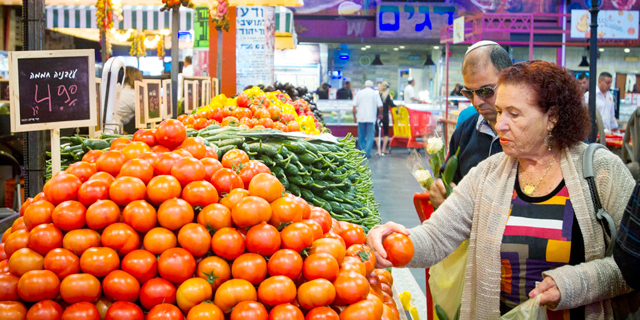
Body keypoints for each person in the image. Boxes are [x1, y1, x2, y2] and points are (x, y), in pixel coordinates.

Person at [368, 60, 635, 319]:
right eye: (499, 111)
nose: (500, 124)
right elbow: (437, 236)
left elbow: (633, 264)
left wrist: (575, 283)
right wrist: (395, 243)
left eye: (514, 114)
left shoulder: (601, 172)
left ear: (552, 117)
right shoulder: (488, 174)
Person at [429, 41, 512, 208]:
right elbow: (448, 182)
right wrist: (439, 191)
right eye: (469, 93)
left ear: (510, 80)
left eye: (486, 91)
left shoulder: (531, 132)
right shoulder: (464, 132)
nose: (477, 102)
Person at [353, 80, 383, 158]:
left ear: (364, 86)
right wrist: (380, 114)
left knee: (361, 136)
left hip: (361, 117)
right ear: (372, 86)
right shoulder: (375, 94)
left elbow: (354, 106)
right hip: (371, 118)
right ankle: (367, 153)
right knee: (370, 136)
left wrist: (354, 117)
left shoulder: (359, 93)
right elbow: (380, 106)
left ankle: (362, 153)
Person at [112, 66, 143, 132]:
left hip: (106, 125)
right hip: (114, 129)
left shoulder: (118, 89)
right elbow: (145, 112)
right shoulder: (134, 93)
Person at [375, 81, 394, 156]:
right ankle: (383, 149)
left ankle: (379, 150)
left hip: (377, 115)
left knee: (377, 132)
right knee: (386, 133)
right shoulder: (388, 96)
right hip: (385, 116)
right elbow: (393, 105)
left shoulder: (377, 96)